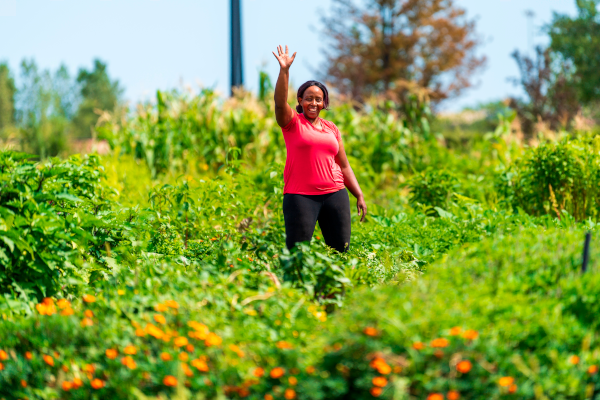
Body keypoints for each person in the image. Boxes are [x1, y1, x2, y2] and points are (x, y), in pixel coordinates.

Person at [272, 45, 367, 253]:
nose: (313, 103)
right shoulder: (292, 123)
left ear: (324, 103)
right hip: (300, 197)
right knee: (298, 254)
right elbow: (279, 104)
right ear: (300, 101)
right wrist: (284, 71)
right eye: (309, 98)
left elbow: (344, 165)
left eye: (318, 99)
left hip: (335, 194)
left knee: (340, 251)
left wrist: (358, 194)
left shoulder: (331, 128)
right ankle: (298, 286)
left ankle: (333, 287)